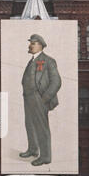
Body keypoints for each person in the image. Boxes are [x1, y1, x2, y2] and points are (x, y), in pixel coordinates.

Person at [20, 34, 62, 166]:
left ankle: (45, 156)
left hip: (39, 98)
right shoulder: (32, 60)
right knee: (30, 124)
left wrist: (45, 98)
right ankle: (33, 150)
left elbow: (57, 81)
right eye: (30, 43)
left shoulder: (48, 61)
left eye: (33, 43)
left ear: (40, 45)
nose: (30, 45)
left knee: (41, 127)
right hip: (28, 97)